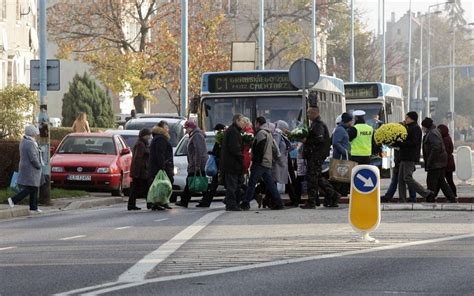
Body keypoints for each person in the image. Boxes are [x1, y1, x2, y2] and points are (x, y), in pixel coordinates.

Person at [240, 117, 284, 211]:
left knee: (252, 183)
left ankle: (245, 203)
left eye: (255, 123)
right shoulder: (269, 133)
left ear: (258, 123)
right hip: (267, 162)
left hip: (260, 163)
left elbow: (259, 148)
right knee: (270, 184)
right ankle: (279, 203)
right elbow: (274, 147)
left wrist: (255, 160)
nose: (255, 126)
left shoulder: (261, 133)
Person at [393, 112, 434, 203]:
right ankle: (402, 199)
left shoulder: (416, 129)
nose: (405, 119)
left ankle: (426, 193)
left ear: (412, 119)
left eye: (407, 118)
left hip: (410, 157)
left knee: (407, 178)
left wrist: (401, 143)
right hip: (403, 156)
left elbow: (414, 143)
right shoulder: (407, 127)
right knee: (401, 180)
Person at [7, 125, 43, 213]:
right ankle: (13, 200)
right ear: (32, 133)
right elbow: (33, 157)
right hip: (31, 168)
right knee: (31, 187)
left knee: (34, 187)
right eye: (35, 132)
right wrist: (38, 165)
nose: (36, 133)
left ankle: (33, 207)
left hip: (27, 167)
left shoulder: (24, 141)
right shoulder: (30, 143)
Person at [300, 106, 331, 209]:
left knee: (312, 178)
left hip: (316, 155)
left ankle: (311, 202)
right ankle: (333, 195)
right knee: (316, 178)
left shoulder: (318, 125)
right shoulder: (314, 124)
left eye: (309, 113)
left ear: (314, 113)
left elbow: (319, 139)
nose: (308, 115)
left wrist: (306, 141)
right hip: (315, 155)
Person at [421, 118, 457, 203]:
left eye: (422, 127)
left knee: (431, 181)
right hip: (440, 162)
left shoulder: (432, 133)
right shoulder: (434, 131)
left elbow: (436, 147)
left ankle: (430, 199)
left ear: (425, 126)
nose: (422, 129)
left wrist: (430, 159)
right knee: (441, 182)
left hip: (436, 162)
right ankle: (451, 198)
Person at [176, 120, 209, 208]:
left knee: (191, 180)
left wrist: (197, 165)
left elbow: (198, 151)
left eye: (186, 128)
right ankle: (204, 201)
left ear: (191, 127)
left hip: (197, 163)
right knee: (195, 180)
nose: (186, 130)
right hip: (196, 163)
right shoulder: (194, 135)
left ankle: (185, 200)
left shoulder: (196, 136)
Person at [196, 123, 226, 207]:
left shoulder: (221, 139)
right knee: (215, 185)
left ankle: (206, 202)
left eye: (216, 130)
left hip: (220, 165)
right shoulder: (221, 139)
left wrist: (212, 154)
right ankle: (206, 201)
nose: (215, 132)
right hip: (220, 165)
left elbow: (216, 152)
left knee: (217, 185)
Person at [221, 114, 246, 211]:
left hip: (233, 164)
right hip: (232, 164)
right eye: (243, 121)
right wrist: (241, 159)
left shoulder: (234, 131)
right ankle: (231, 204)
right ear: (237, 121)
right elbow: (235, 149)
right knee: (232, 186)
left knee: (236, 185)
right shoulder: (233, 132)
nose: (244, 123)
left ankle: (233, 203)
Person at [148, 121, 174, 210]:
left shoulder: (157, 137)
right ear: (162, 128)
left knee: (163, 184)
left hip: (157, 166)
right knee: (163, 184)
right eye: (166, 127)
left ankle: (163, 201)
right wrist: (162, 165)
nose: (168, 129)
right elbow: (160, 153)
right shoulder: (161, 139)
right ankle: (158, 202)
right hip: (161, 166)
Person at [128, 128, 151, 211]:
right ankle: (149, 203)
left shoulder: (143, 143)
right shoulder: (141, 145)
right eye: (148, 135)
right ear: (144, 135)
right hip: (141, 171)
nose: (149, 137)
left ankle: (132, 204)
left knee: (137, 188)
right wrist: (136, 172)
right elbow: (138, 158)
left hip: (141, 170)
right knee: (145, 188)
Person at [331, 112, 353, 197]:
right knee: (339, 177)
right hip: (340, 158)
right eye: (351, 121)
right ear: (348, 121)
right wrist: (345, 152)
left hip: (343, 157)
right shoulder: (340, 129)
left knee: (342, 177)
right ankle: (336, 195)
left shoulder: (343, 129)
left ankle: (341, 193)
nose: (352, 123)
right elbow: (335, 143)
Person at [437, 124, 457, 198]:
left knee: (442, 180)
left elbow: (444, 150)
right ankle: (453, 195)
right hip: (449, 163)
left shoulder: (444, 139)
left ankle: (453, 195)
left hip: (446, 163)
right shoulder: (447, 137)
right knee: (447, 180)